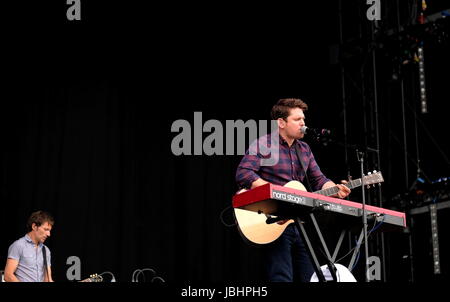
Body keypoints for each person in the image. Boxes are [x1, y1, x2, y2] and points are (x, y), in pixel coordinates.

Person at [235, 98, 351, 282]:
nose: (303, 123)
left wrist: (335, 189)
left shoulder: (304, 150)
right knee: (281, 277)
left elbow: (319, 179)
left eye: (303, 119)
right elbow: (244, 173)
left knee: (311, 277)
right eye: (297, 119)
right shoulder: (264, 144)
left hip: (299, 222)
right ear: (281, 123)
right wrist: (275, 192)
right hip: (273, 219)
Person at [4, 210, 54, 282]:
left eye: (49, 230)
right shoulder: (18, 245)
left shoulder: (46, 250)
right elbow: (8, 275)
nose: (48, 234)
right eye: (46, 229)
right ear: (34, 226)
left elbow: (48, 279)